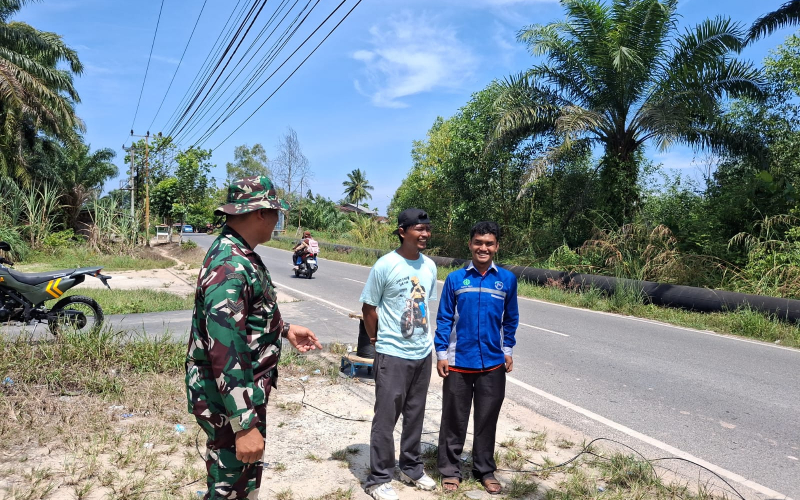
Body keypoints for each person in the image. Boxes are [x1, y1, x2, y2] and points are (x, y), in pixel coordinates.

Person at [185, 176, 323, 500]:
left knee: (239, 484)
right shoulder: (231, 264)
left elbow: (244, 317)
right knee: (232, 488)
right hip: (230, 401)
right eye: (276, 213)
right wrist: (244, 424)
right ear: (261, 213)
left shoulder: (238, 253)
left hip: (238, 396)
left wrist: (284, 329)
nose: (278, 220)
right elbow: (225, 347)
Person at [434, 221, 519, 494]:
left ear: (496, 246)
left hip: (493, 363)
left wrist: (507, 350)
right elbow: (444, 318)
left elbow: (511, 319)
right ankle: (450, 470)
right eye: (478, 243)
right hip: (458, 362)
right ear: (470, 244)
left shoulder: (507, 280)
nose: (483, 248)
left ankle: (484, 469)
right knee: (453, 419)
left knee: (487, 419)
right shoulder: (455, 279)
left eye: (489, 243)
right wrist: (441, 353)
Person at [360, 208, 439, 500]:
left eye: (427, 229)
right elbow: (369, 308)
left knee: (415, 414)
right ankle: (379, 478)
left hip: (422, 352)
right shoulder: (385, 265)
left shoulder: (429, 266)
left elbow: (424, 306)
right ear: (403, 231)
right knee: (386, 417)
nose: (425, 234)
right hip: (392, 353)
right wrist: (375, 338)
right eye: (419, 229)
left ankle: (411, 467)